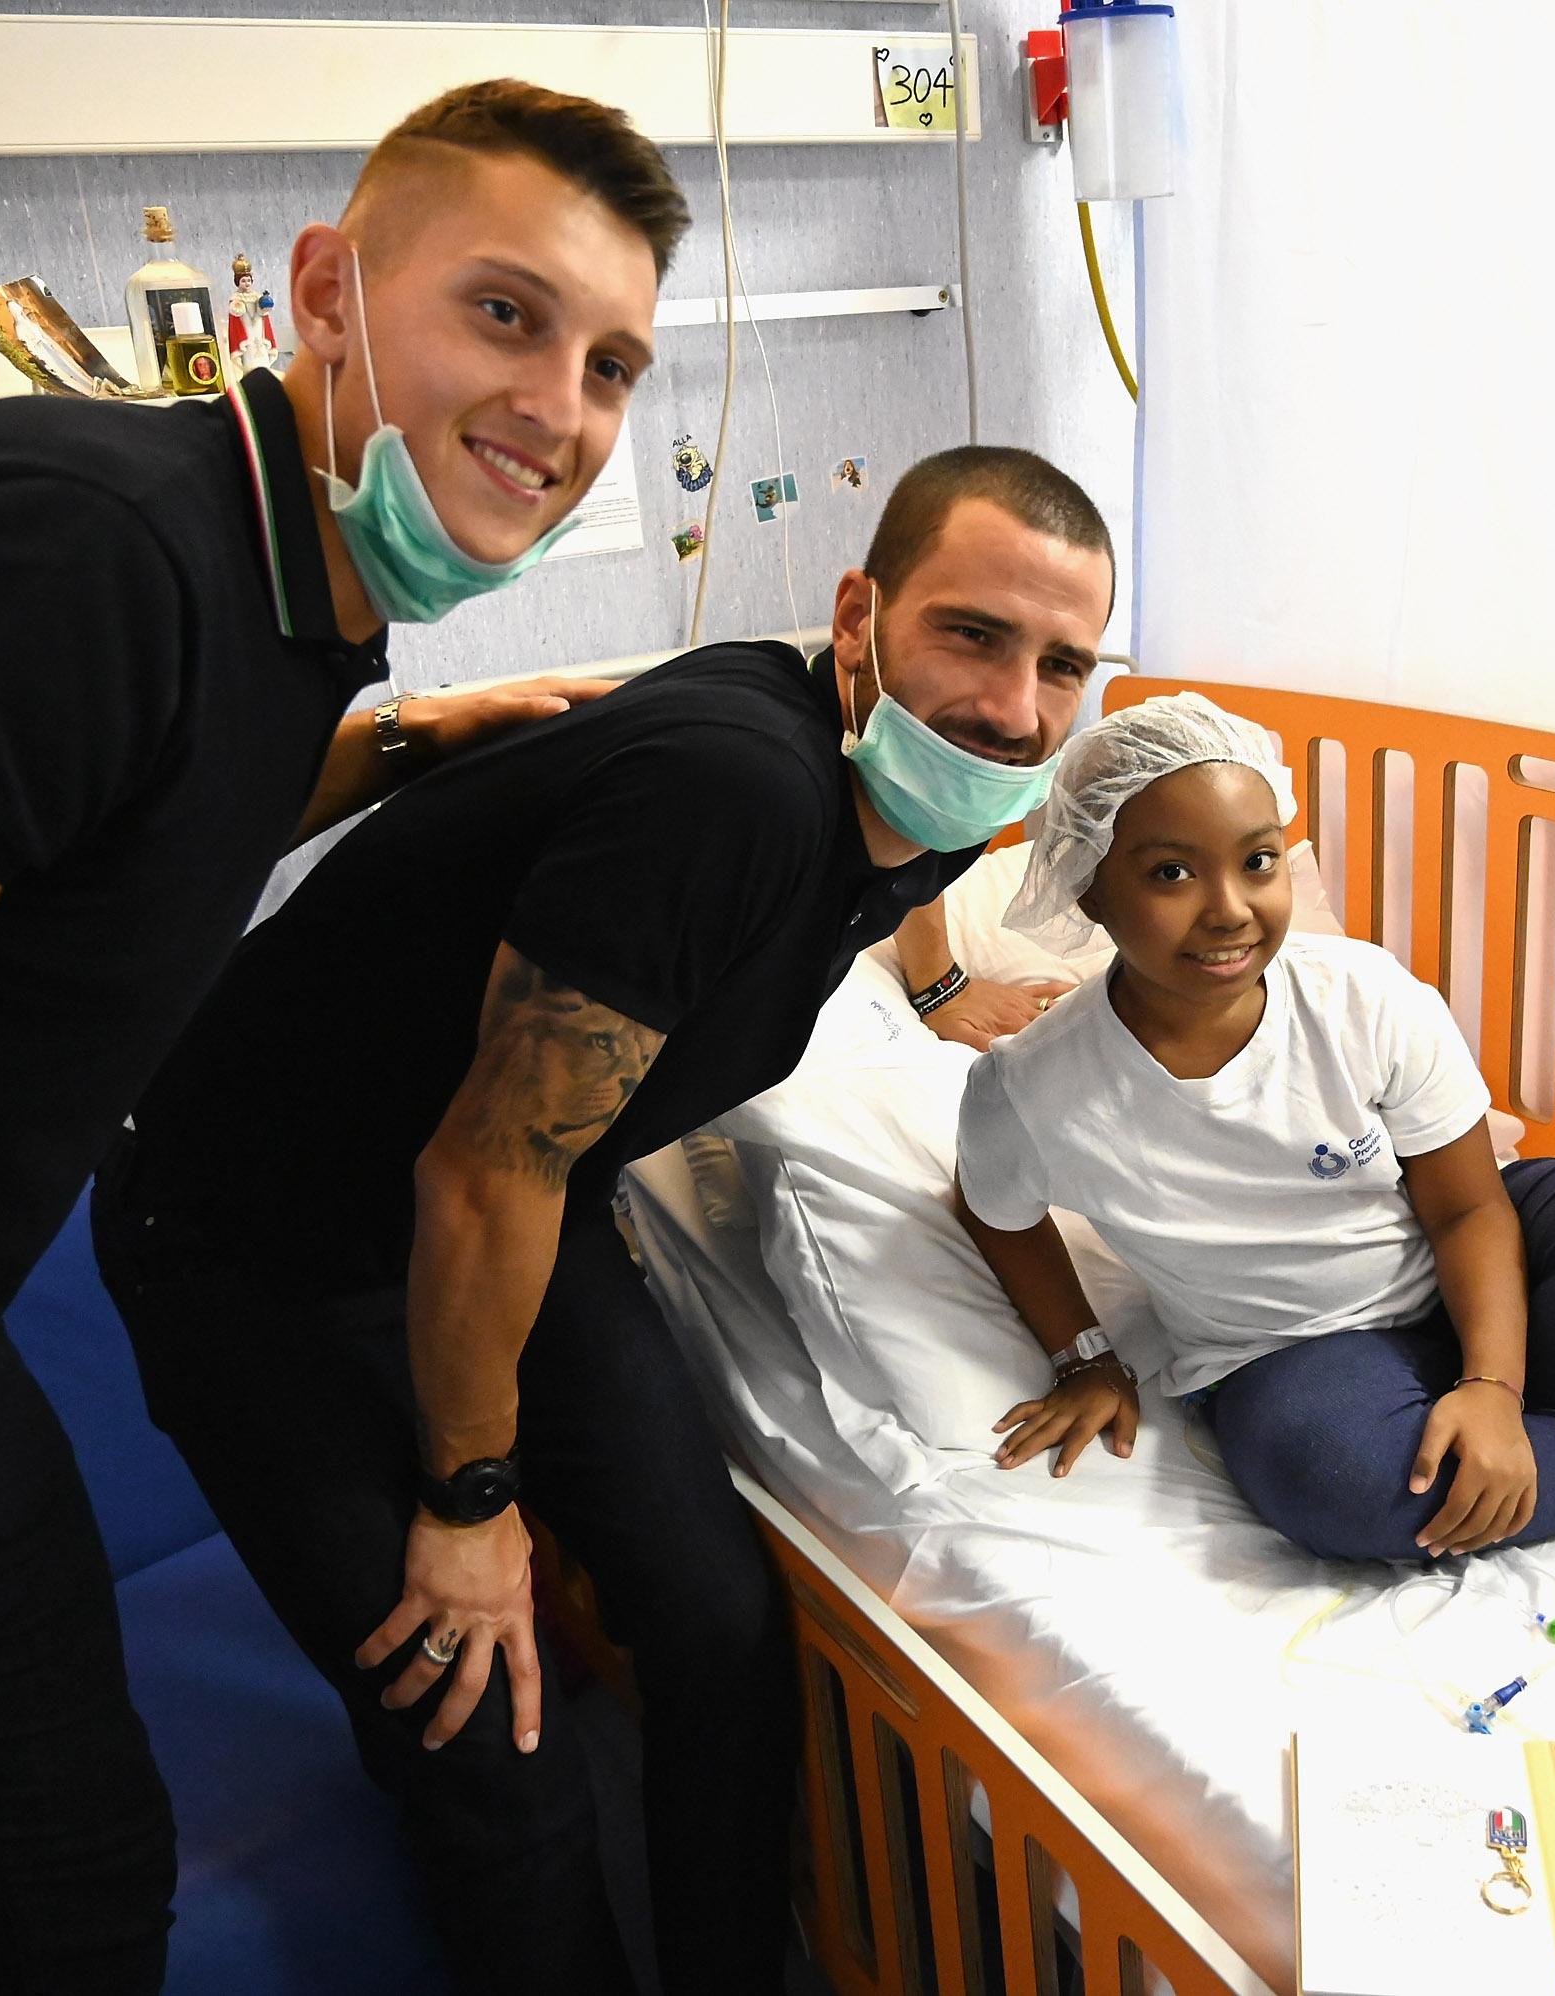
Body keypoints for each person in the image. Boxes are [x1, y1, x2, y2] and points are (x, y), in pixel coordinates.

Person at [0, 81, 687, 1996]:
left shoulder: (269, 589)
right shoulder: (70, 559)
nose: (561, 413)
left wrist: (403, 746)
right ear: (328, 289)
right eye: (504, 314)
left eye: (613, 364)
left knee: (76, 1876)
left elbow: (85, 817)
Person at [91, 446, 1114, 1992]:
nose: (1016, 710)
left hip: (518, 1196)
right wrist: (467, 1500)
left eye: (1063, 665)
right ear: (860, 618)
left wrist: (947, 987)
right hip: (266, 1239)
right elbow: (478, 1175)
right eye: (972, 635)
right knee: (480, 1731)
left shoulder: (944, 788)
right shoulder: (734, 792)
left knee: (714, 1626)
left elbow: (872, 886)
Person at [953, 694, 1555, 1561]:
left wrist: (1492, 1386)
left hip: (1453, 1266)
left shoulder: (1361, 997)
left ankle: (1494, 1426)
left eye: (1258, 861)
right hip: (1291, 1354)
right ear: (1089, 887)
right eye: (1171, 873)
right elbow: (995, 1208)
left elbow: (1465, 1211)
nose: (1231, 910)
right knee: (1338, 1486)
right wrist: (1083, 1356)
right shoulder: (1039, 1088)